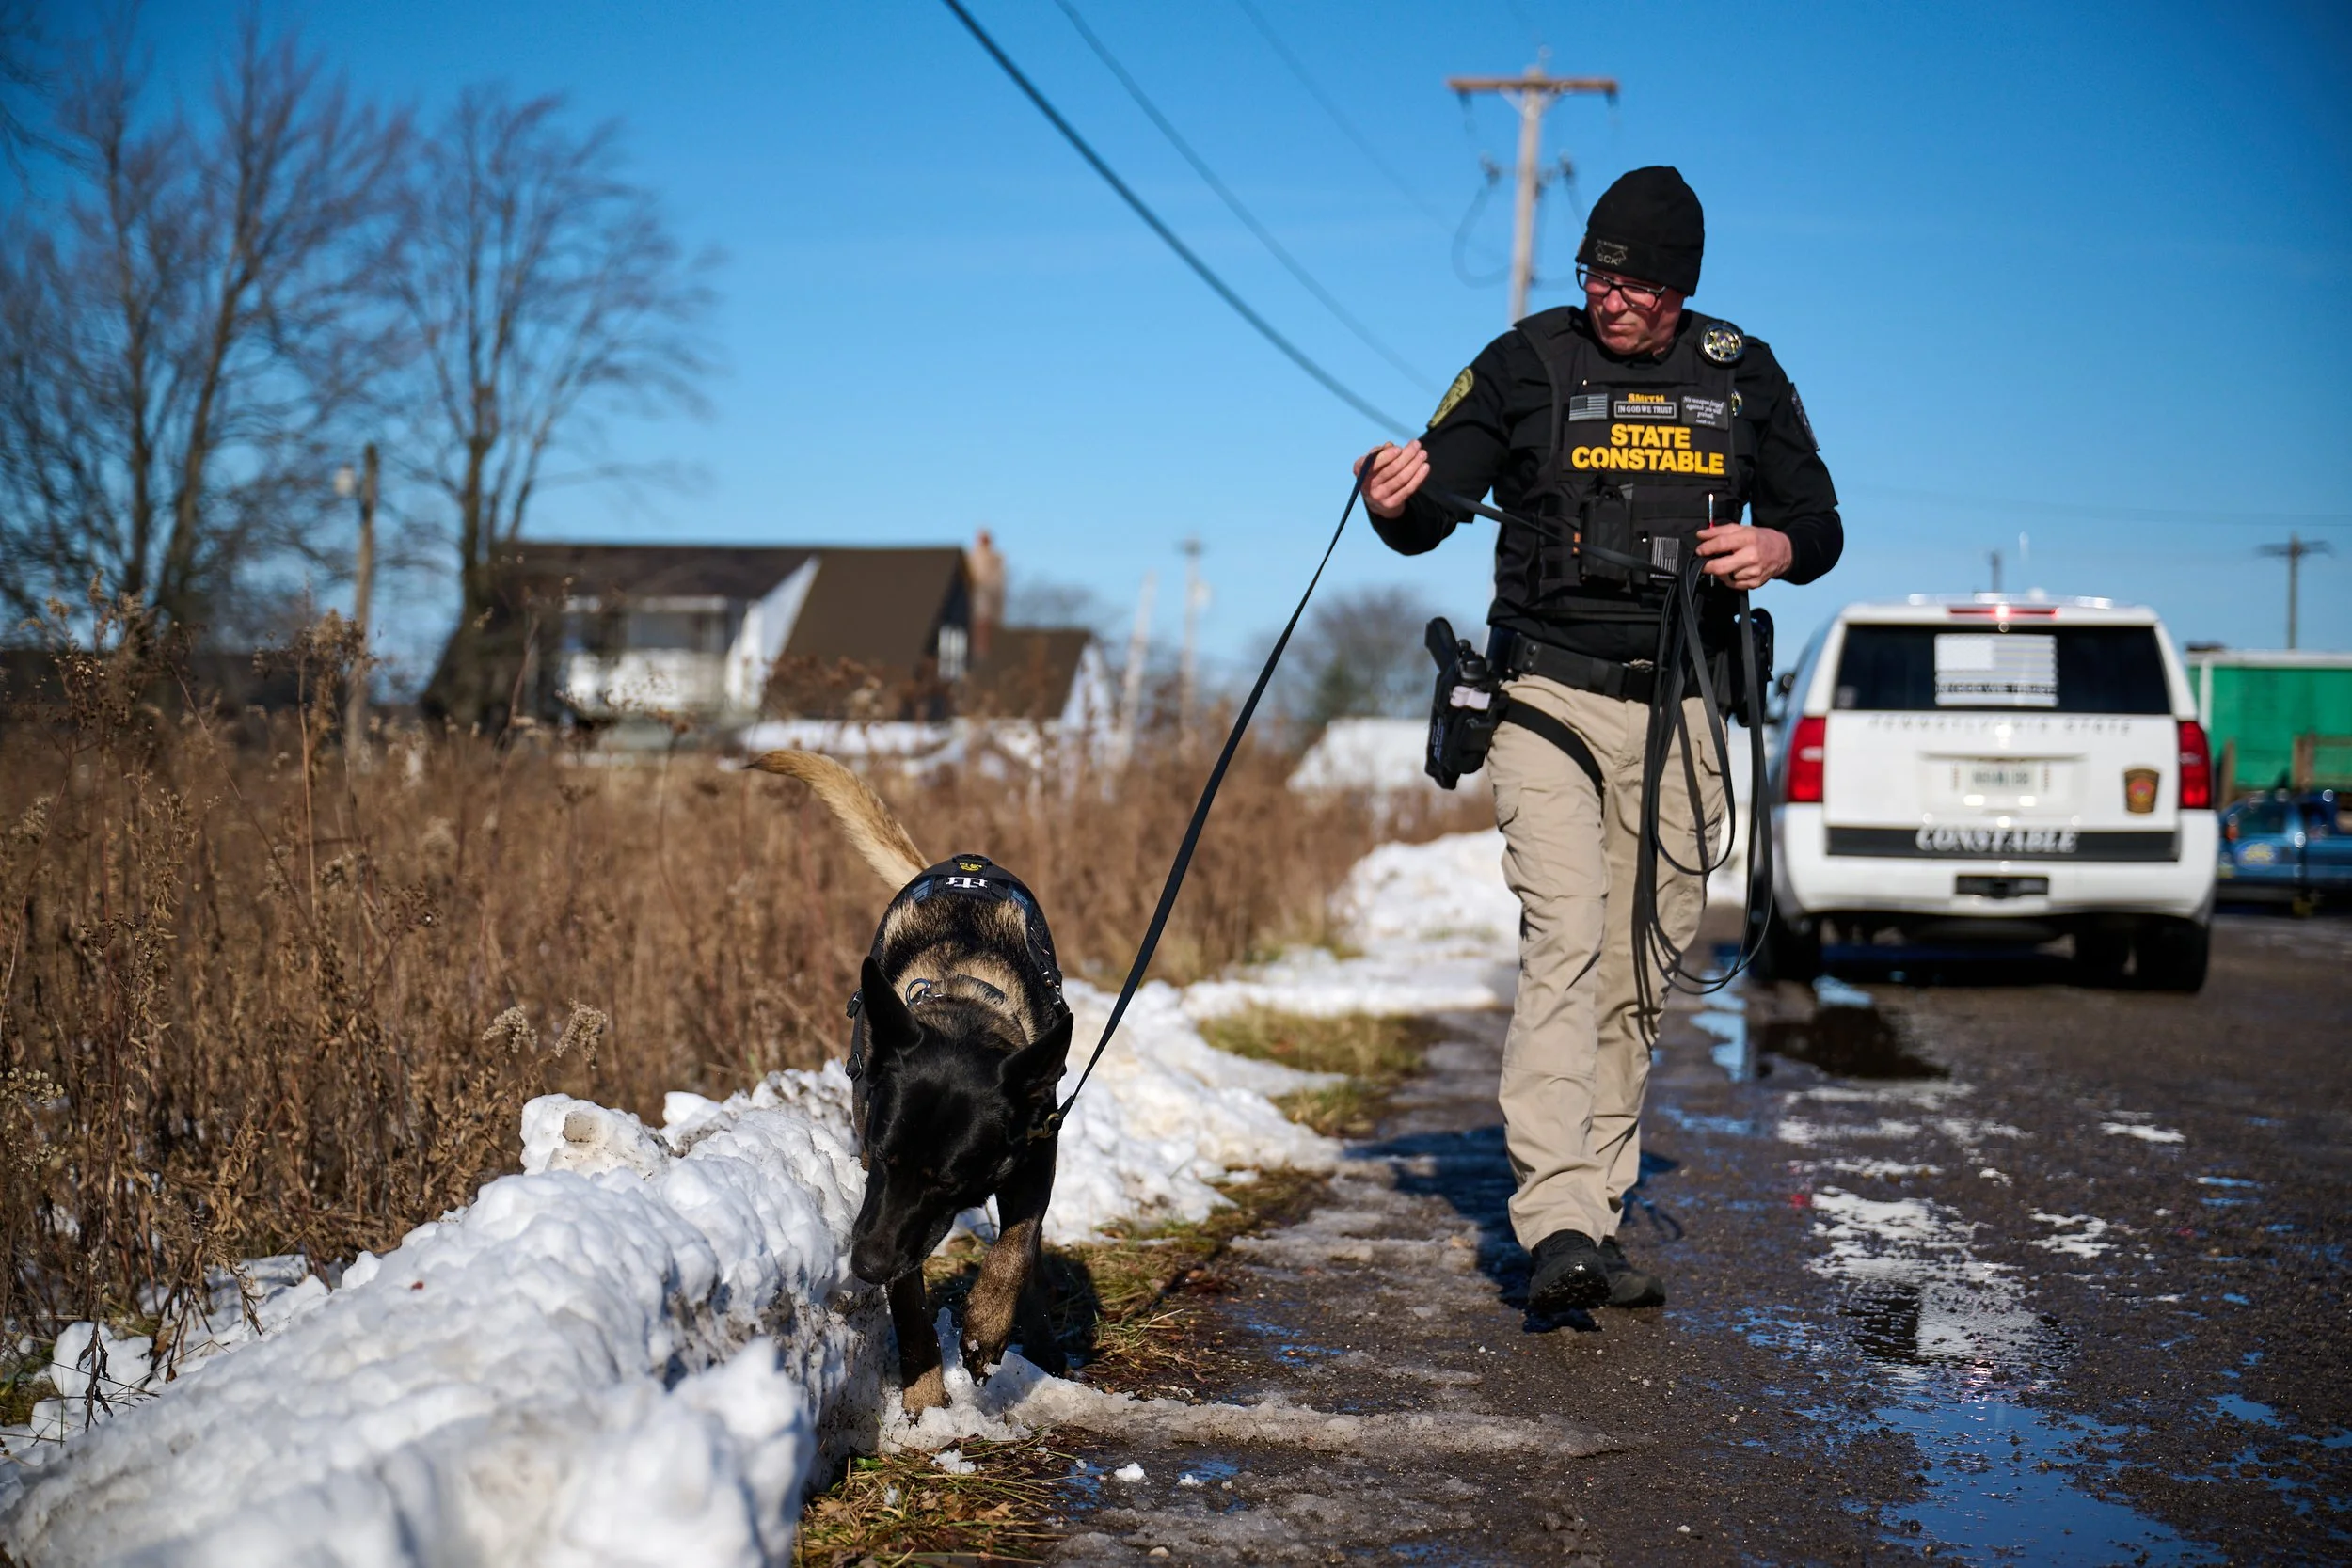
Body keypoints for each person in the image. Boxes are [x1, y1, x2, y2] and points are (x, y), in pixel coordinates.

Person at [1354, 166, 1842, 1314]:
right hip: (1545, 698)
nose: (1611, 299)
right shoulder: (1527, 360)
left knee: (1642, 964)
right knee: (1566, 938)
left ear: (1681, 291)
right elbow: (1426, 508)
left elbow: (1816, 520)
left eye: (1637, 284)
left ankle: (1597, 1205)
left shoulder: (1740, 372)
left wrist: (1772, 547)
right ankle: (1556, 1216)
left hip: (1680, 705)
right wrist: (1390, 500)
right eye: (1596, 274)